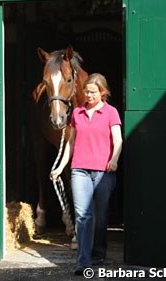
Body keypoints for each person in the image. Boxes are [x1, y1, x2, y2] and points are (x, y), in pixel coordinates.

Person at [50, 73, 123, 275]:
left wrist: (114, 159)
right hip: (79, 170)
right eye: (86, 92)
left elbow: (118, 140)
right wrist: (60, 166)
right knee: (83, 215)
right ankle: (83, 261)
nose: (88, 95)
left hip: (103, 172)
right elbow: (71, 143)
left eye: (92, 92)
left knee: (100, 216)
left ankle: (98, 253)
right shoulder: (78, 113)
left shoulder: (111, 112)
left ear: (103, 92)